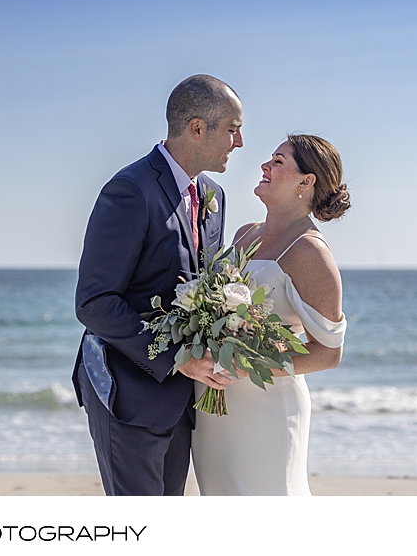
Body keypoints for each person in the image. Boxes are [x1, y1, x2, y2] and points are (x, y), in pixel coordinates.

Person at [73, 74, 243, 496]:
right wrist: (177, 358)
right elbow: (94, 302)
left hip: (180, 404)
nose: (238, 142)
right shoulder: (130, 190)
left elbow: (205, 291)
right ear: (197, 128)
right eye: (232, 129)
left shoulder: (213, 195)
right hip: (128, 396)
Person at [191, 134, 350, 496]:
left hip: (266, 409)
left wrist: (246, 366)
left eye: (278, 161)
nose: (265, 165)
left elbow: (328, 353)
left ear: (305, 182)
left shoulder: (310, 251)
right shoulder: (243, 234)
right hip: (214, 408)